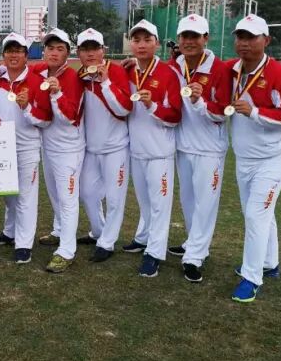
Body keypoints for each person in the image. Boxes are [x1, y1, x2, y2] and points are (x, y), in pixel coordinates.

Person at [227, 15, 281, 303]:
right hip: (244, 157)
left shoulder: (279, 74)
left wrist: (255, 112)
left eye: (251, 37)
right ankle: (269, 263)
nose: (244, 43)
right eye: (240, 37)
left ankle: (251, 277)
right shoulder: (233, 69)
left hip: (272, 159)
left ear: (266, 40)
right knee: (258, 212)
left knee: (256, 215)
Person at [168, 15, 231, 283]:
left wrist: (198, 101)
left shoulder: (219, 69)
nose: (189, 41)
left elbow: (223, 113)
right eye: (185, 36)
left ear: (206, 38)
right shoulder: (175, 65)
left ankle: (195, 255)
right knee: (188, 200)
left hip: (209, 148)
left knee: (206, 203)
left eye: (195, 36)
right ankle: (193, 242)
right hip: (183, 145)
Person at [121, 20, 182, 278]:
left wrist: (152, 105)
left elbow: (175, 116)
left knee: (159, 206)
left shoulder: (169, 74)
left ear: (156, 43)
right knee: (145, 202)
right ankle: (144, 237)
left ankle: (155, 253)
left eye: (147, 40)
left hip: (160, 152)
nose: (141, 45)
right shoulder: (129, 70)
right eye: (136, 40)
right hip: (137, 150)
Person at [0, 33, 52, 264]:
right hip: (2, 146)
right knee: (9, 194)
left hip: (27, 147)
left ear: (26, 55)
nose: (13, 55)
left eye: (18, 51)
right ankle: (10, 232)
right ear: (4, 55)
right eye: (9, 51)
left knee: (26, 197)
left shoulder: (36, 81)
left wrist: (27, 108)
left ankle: (24, 244)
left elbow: (45, 120)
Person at [75, 28, 133, 263]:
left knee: (115, 198)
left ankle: (107, 242)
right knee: (87, 193)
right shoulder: (80, 75)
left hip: (116, 148)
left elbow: (124, 109)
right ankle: (99, 231)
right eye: (85, 49)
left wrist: (105, 82)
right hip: (91, 148)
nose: (90, 54)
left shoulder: (116, 71)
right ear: (78, 52)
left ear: (103, 50)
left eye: (94, 48)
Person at [31, 28, 86, 273]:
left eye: (59, 49)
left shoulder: (71, 77)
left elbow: (70, 117)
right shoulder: (42, 71)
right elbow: (23, 71)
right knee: (54, 194)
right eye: (50, 48)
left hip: (68, 149)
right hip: (48, 145)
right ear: (44, 51)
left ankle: (66, 250)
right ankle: (59, 230)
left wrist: (56, 93)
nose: (54, 52)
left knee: (67, 199)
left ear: (67, 53)